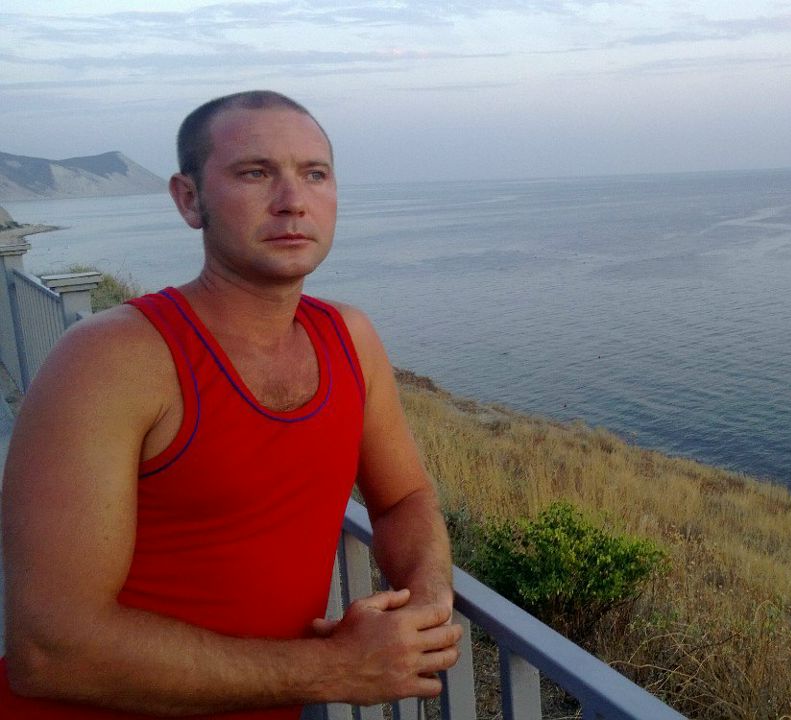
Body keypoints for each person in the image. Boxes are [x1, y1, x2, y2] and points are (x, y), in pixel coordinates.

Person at [0, 90, 461, 717]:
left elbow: (403, 497)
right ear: (189, 199)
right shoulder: (112, 359)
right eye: (255, 173)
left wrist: (429, 598)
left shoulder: (349, 338)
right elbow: (50, 651)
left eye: (314, 174)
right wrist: (335, 668)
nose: (293, 200)